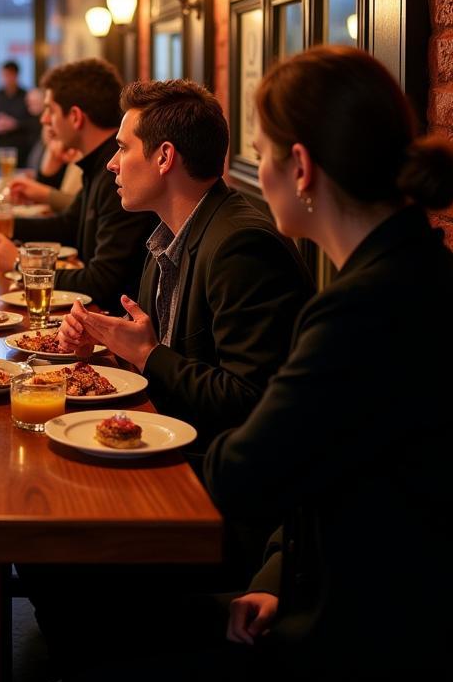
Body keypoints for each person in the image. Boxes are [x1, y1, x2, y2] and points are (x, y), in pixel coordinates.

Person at [202, 47, 453, 675]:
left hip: (375, 631)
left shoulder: (362, 308)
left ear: (303, 168)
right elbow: (346, 463)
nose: (255, 174)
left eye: (260, 156)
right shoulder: (418, 267)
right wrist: (279, 576)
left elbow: (243, 472)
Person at [59, 78, 312, 448]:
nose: (112, 165)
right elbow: (159, 355)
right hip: (164, 439)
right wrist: (100, 344)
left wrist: (146, 354)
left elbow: (248, 401)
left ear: (164, 157)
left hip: (212, 477)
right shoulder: (166, 231)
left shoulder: (241, 246)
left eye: (122, 149)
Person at [0, 58, 156, 312]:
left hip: (110, 321)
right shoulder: (97, 163)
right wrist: (4, 225)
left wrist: (21, 264)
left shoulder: (117, 173)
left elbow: (103, 281)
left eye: (50, 110)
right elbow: (68, 224)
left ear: (75, 117)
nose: (43, 119)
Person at [0, 59, 35, 165]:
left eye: (9, 75)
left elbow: (33, 123)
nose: (6, 79)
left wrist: (14, 124)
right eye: (4, 75)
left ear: (16, 75)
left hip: (20, 151)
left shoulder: (26, 96)